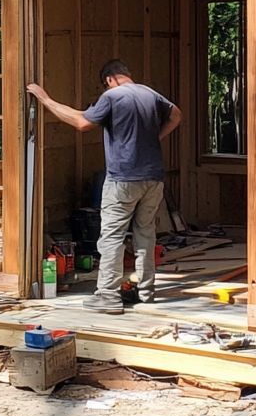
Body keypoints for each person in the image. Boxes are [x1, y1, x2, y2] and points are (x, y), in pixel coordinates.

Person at [27, 60, 182, 314]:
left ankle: (108, 296)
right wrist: (156, 137)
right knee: (145, 233)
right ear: (127, 74)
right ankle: (146, 292)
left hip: (123, 178)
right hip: (153, 178)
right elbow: (176, 115)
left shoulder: (112, 97)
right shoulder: (150, 94)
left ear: (110, 79)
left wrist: (46, 100)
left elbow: (81, 123)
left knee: (112, 236)